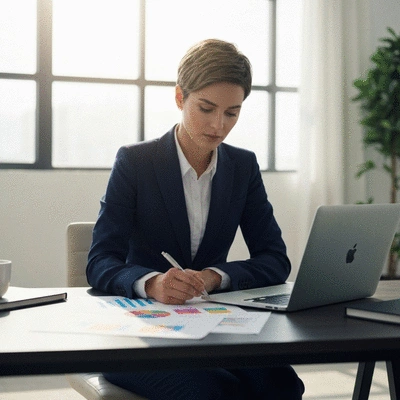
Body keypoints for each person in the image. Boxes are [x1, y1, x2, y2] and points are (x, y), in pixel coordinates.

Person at [87, 38, 304, 400]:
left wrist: (214, 277)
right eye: (206, 108)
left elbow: (275, 259)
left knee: (281, 385)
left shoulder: (242, 167)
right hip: (143, 331)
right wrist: (152, 282)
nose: (219, 125)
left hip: (216, 326)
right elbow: (99, 261)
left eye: (232, 113)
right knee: (208, 390)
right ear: (179, 98)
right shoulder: (135, 162)